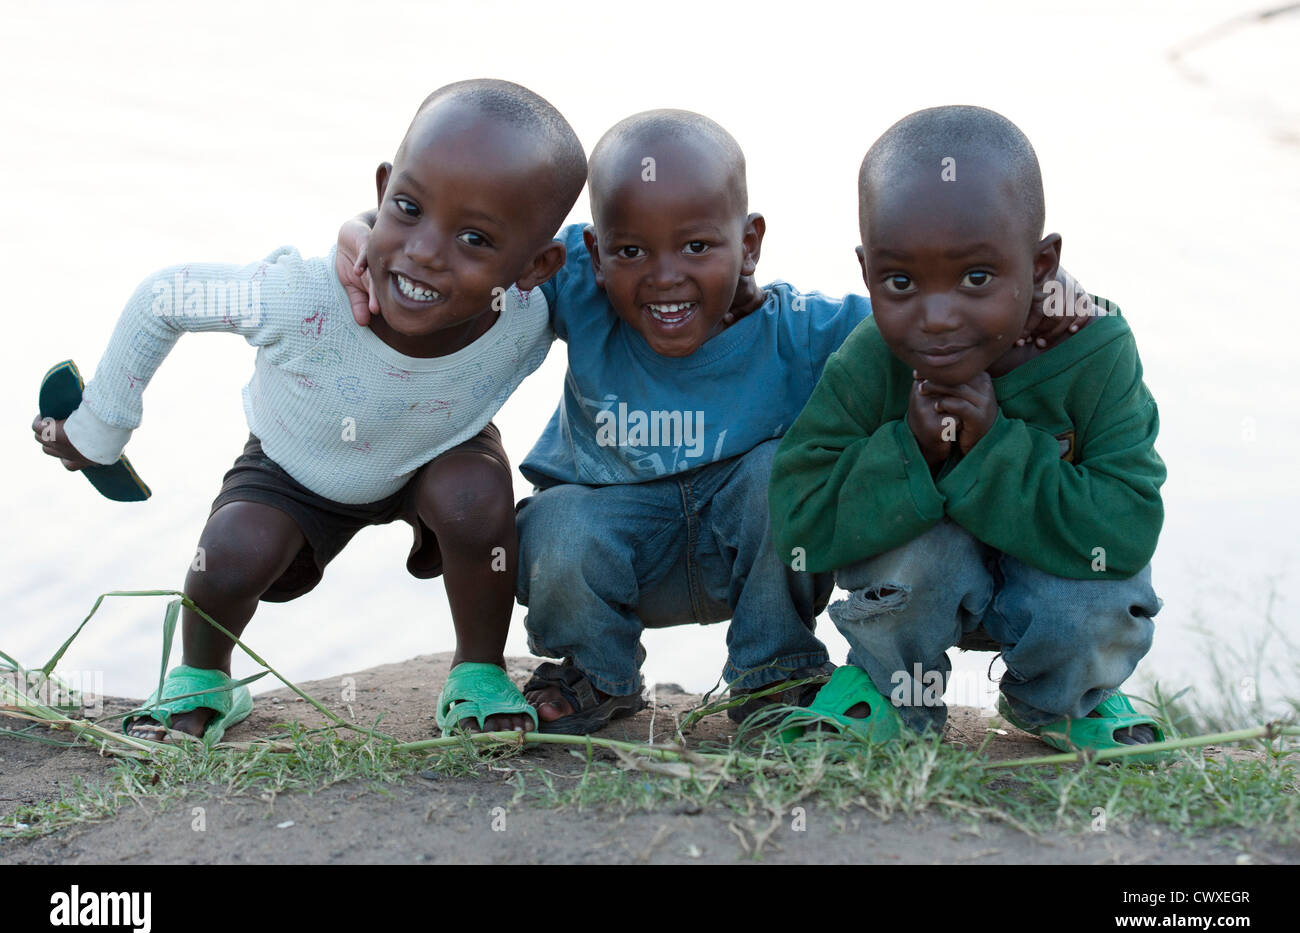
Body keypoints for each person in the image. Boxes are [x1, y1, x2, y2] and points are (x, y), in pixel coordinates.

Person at [338, 109, 1087, 735]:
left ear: (750, 243)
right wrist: (366, 228)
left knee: (780, 474)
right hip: (622, 545)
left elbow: (930, 317)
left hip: (754, 548)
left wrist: (1050, 298)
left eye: (698, 247)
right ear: (593, 253)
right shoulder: (581, 291)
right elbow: (474, 235)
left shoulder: (802, 330)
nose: (664, 275)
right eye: (631, 250)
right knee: (555, 524)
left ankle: (774, 673)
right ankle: (597, 674)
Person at [32, 79, 587, 744]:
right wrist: (97, 430)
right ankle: (203, 675)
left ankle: (478, 671)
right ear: (382, 189)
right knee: (232, 553)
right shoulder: (303, 296)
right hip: (299, 462)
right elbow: (164, 297)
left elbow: (638, 262)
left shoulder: (530, 307)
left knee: (478, 499)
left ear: (536, 264)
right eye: (407, 208)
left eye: (473, 238)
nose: (425, 252)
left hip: (438, 451)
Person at [769, 106, 1166, 758]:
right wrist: (912, 452)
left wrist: (994, 448)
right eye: (901, 281)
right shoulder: (874, 357)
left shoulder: (1096, 350)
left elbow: (1126, 526)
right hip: (929, 586)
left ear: (1041, 265)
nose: (938, 317)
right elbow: (797, 522)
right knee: (912, 563)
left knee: (1102, 598)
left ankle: (1062, 699)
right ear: (867, 272)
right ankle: (894, 695)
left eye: (977, 277)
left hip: (1050, 580)